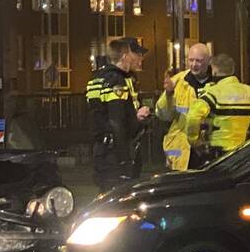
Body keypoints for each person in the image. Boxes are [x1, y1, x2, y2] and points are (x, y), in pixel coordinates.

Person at [186, 54, 250, 165]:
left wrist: (196, 142)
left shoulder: (211, 94)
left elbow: (192, 117)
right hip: (247, 155)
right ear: (233, 70)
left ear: (214, 71)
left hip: (217, 156)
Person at [86, 37, 151, 190]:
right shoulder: (117, 80)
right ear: (125, 55)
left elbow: (98, 115)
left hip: (102, 150)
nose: (140, 58)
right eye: (137, 54)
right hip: (115, 153)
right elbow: (117, 121)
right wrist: (124, 159)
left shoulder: (97, 78)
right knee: (120, 200)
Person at [155, 43, 211, 170]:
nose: (194, 64)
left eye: (199, 61)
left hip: (208, 147)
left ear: (208, 60)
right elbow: (163, 115)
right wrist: (168, 94)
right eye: (191, 60)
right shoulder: (178, 81)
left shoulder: (216, 83)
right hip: (183, 150)